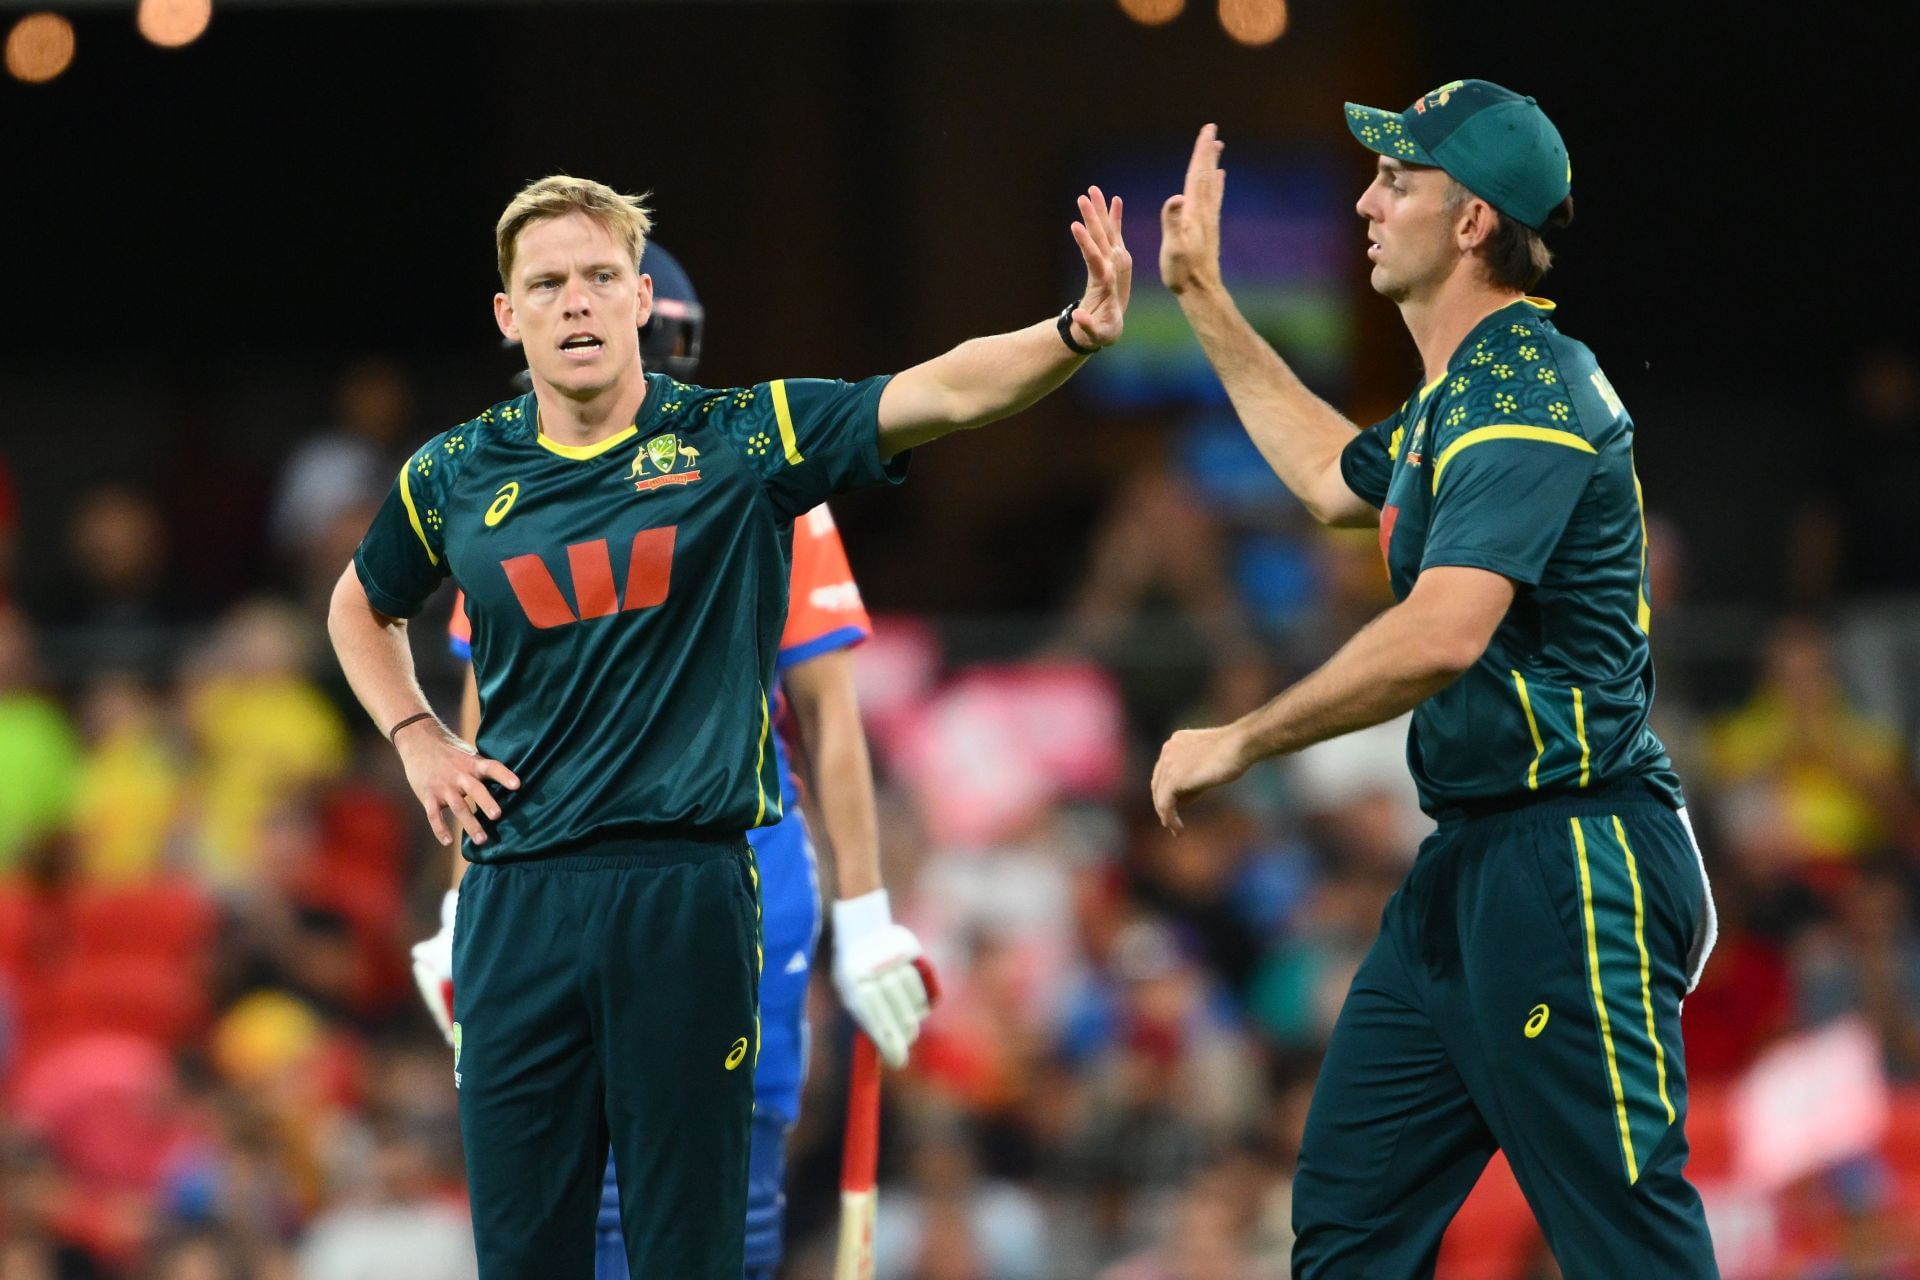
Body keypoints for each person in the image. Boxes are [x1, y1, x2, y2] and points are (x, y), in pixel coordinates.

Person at [328, 174, 1130, 1278]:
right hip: (518, 900)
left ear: (640, 300)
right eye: (546, 284)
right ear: (508, 316)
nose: (575, 303)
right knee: (522, 1253)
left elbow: (933, 394)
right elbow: (359, 602)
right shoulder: (456, 473)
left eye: (600, 278)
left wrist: (1072, 333)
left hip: (687, 892)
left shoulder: (738, 439)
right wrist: (416, 733)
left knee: (691, 1252)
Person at [1150, 84, 1719, 1277]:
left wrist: (1240, 738)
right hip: (1470, 861)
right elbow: (1322, 476)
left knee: (1629, 1244)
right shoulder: (1456, 397)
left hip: (1574, 859)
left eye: (1396, 181)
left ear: (1470, 221)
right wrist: (1202, 296)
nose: (1366, 199)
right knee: (1349, 1220)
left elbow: (1441, 633)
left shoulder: (1527, 390)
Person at [409, 244, 915, 1280]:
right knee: (567, 1198)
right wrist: (461, 905)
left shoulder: (756, 472)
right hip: (549, 875)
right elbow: (480, 723)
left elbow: (828, 716)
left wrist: (866, 917)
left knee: (725, 1204)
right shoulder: (506, 486)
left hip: (728, 860)